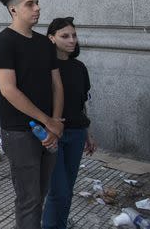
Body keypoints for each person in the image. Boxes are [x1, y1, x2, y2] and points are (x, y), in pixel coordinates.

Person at [0, 0, 64, 229]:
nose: (37, 8)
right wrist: (47, 120)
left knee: (40, 193)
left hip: (49, 129)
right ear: (13, 9)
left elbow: (57, 85)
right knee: (28, 199)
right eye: (30, 4)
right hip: (20, 132)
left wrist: (55, 123)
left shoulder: (44, 43)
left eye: (37, 3)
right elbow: (9, 90)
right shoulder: (4, 43)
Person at [42, 17, 95, 229]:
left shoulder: (80, 67)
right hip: (54, 136)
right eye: (65, 36)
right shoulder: (44, 69)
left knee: (67, 191)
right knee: (59, 191)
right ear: (51, 38)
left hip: (77, 134)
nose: (71, 40)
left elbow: (83, 103)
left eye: (74, 35)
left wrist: (88, 133)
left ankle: (59, 225)